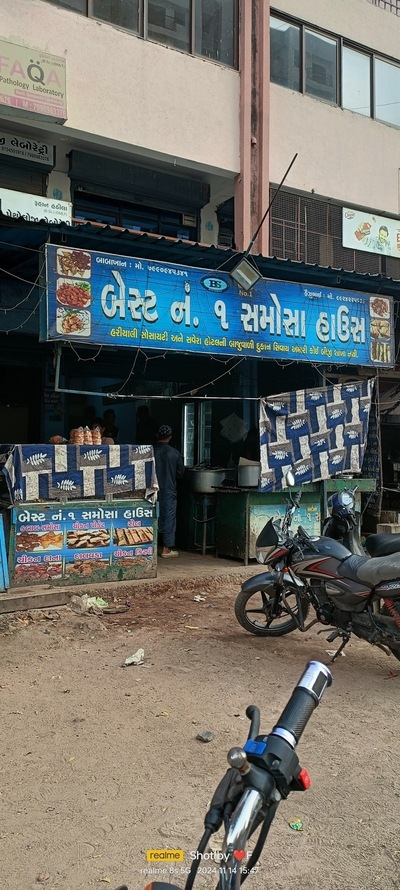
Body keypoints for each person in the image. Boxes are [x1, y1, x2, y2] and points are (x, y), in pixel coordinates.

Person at [154, 424, 184, 558]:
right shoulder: (175, 453)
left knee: (150, 516)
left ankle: (149, 546)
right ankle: (166, 549)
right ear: (170, 437)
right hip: (168, 489)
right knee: (168, 517)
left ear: (157, 436)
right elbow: (180, 473)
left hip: (151, 489)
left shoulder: (149, 451)